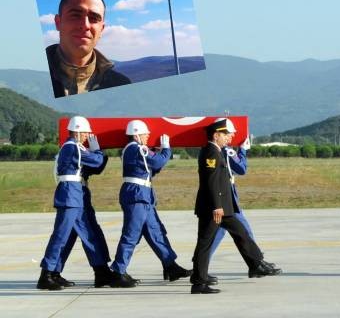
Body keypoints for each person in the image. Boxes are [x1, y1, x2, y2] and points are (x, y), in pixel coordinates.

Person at [190, 119, 280, 294]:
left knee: (241, 234)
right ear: (216, 135)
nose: (228, 138)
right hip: (215, 208)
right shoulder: (211, 152)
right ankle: (199, 282)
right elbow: (211, 182)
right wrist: (217, 206)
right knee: (206, 243)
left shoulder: (216, 151)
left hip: (222, 206)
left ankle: (255, 263)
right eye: (225, 135)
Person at [109, 120, 191, 287]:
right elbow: (157, 162)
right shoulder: (136, 148)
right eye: (145, 134)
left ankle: (171, 266)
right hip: (137, 196)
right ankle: (118, 272)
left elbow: (151, 168)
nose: (148, 136)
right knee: (131, 234)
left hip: (143, 196)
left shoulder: (136, 149)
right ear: (137, 134)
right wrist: (166, 149)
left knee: (156, 232)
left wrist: (158, 153)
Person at [37, 116, 115, 290]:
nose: (88, 135)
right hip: (70, 194)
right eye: (86, 132)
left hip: (76, 195)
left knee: (84, 234)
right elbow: (96, 161)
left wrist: (98, 154)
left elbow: (96, 167)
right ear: (78, 131)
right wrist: (97, 151)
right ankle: (46, 275)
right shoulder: (73, 147)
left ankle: (98, 271)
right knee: (61, 235)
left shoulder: (75, 148)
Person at [46, 0, 130, 97]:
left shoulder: (122, 86)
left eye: (94, 18)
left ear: (101, 30)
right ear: (58, 22)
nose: (85, 25)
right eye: (75, 15)